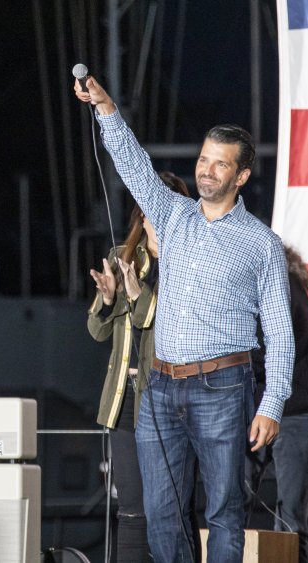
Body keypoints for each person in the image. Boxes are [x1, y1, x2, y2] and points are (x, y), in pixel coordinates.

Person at [75, 77, 294, 562]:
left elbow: (280, 331)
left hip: (223, 386)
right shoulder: (174, 215)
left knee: (223, 513)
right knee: (161, 515)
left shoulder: (261, 243)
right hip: (159, 387)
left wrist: (272, 402)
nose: (207, 170)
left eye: (220, 163)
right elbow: (134, 166)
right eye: (203, 159)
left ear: (240, 176)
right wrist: (107, 109)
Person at [88, 176, 190, 563]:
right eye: (151, 206)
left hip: (168, 397)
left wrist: (136, 296)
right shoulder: (122, 256)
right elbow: (97, 331)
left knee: (170, 510)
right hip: (123, 400)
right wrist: (109, 297)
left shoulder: (188, 261)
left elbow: (170, 326)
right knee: (131, 510)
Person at [247, 244, 308, 563]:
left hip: (294, 412)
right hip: (268, 408)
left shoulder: (281, 290)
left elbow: (270, 351)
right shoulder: (282, 284)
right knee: (283, 519)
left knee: (290, 524)